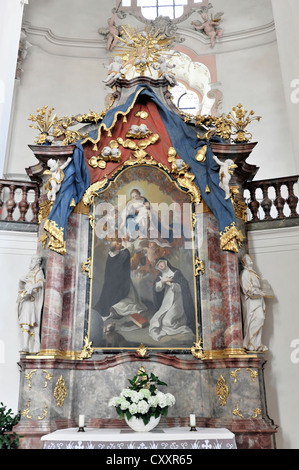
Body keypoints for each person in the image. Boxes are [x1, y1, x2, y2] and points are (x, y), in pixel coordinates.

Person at [94, 239, 146, 321]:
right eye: (118, 244)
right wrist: (127, 241)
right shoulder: (122, 255)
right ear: (116, 248)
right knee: (128, 300)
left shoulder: (111, 256)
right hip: (121, 283)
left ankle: (112, 310)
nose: (120, 243)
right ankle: (114, 310)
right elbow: (128, 251)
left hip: (115, 282)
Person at [149, 258, 196, 342]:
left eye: (161, 262)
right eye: (158, 264)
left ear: (166, 262)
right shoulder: (160, 276)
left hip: (178, 301)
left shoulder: (176, 273)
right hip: (166, 302)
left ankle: (179, 327)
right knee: (155, 320)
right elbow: (157, 289)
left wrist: (170, 284)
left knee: (168, 321)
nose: (160, 265)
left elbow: (183, 288)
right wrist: (163, 282)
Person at [240, 254, 273, 352]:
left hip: (258, 300)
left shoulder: (253, 274)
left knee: (260, 320)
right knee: (255, 319)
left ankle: (257, 344)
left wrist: (262, 291)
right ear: (245, 262)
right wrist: (258, 292)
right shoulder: (245, 273)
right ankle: (249, 342)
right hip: (251, 302)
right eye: (249, 260)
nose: (251, 261)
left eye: (251, 259)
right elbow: (247, 289)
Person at [17, 255, 45, 353]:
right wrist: (21, 281)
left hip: (31, 301)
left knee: (27, 322)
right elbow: (22, 286)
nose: (31, 263)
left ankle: (27, 346)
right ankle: (26, 346)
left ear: (37, 262)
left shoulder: (39, 272)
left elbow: (41, 283)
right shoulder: (30, 272)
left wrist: (33, 286)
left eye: (33, 260)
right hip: (25, 299)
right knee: (24, 322)